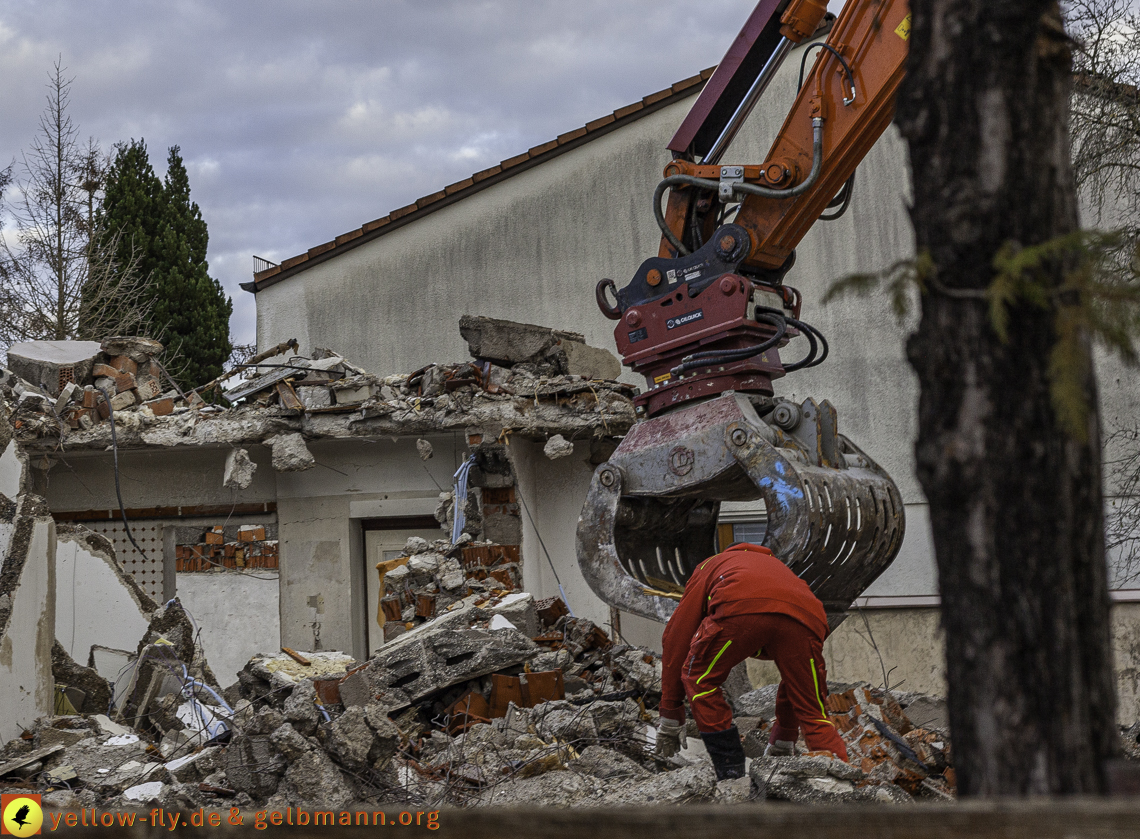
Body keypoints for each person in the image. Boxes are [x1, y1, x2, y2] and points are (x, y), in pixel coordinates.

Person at [654, 542, 848, 780]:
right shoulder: (780, 570)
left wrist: (670, 712)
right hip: (808, 617)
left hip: (740, 605)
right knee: (812, 707)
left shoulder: (711, 564)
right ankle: (844, 781)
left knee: (699, 679)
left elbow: (678, 636)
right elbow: (794, 684)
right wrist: (784, 738)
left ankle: (731, 770)